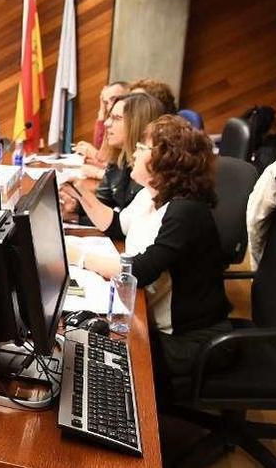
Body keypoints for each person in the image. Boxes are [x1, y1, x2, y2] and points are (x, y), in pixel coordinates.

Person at [65, 115, 233, 397]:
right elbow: (116, 225)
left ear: (165, 159)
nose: (136, 152)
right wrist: (81, 193)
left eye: (143, 147)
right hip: (152, 317)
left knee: (99, 359)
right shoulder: (150, 194)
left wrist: (79, 256)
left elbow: (140, 271)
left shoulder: (185, 211)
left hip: (187, 337)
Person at [60, 93, 164, 228]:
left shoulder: (150, 172)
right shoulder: (119, 160)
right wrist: (76, 207)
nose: (107, 123)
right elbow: (104, 206)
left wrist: (75, 215)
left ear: (137, 124)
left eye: (116, 118)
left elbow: (127, 226)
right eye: (110, 117)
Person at [73, 81, 129, 165]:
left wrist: (94, 154)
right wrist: (102, 111)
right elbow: (103, 153)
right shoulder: (110, 121)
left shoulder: (128, 122)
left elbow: (107, 162)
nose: (110, 106)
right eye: (106, 102)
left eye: (113, 99)